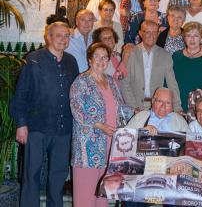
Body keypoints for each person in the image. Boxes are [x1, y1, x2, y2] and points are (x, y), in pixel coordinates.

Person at [10, 21, 79, 207]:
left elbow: (76, 94)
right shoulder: (34, 59)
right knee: (31, 174)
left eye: (66, 36)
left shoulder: (71, 61)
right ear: (48, 37)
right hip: (36, 127)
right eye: (59, 35)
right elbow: (21, 94)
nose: (63, 40)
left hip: (64, 129)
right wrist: (21, 124)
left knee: (58, 176)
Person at [70, 42, 133, 207]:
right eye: (97, 56)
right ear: (90, 59)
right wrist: (100, 125)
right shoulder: (81, 81)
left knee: (102, 195)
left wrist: (142, 115)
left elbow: (122, 108)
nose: (101, 60)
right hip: (88, 149)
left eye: (105, 57)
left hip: (109, 147)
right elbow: (77, 112)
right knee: (85, 196)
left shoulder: (111, 81)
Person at [121, 20, 182, 111]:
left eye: (154, 32)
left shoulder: (165, 55)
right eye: (148, 32)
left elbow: (172, 83)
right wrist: (134, 107)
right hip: (134, 106)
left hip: (157, 108)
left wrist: (177, 108)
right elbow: (124, 82)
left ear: (158, 34)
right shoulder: (130, 53)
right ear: (141, 33)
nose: (151, 36)